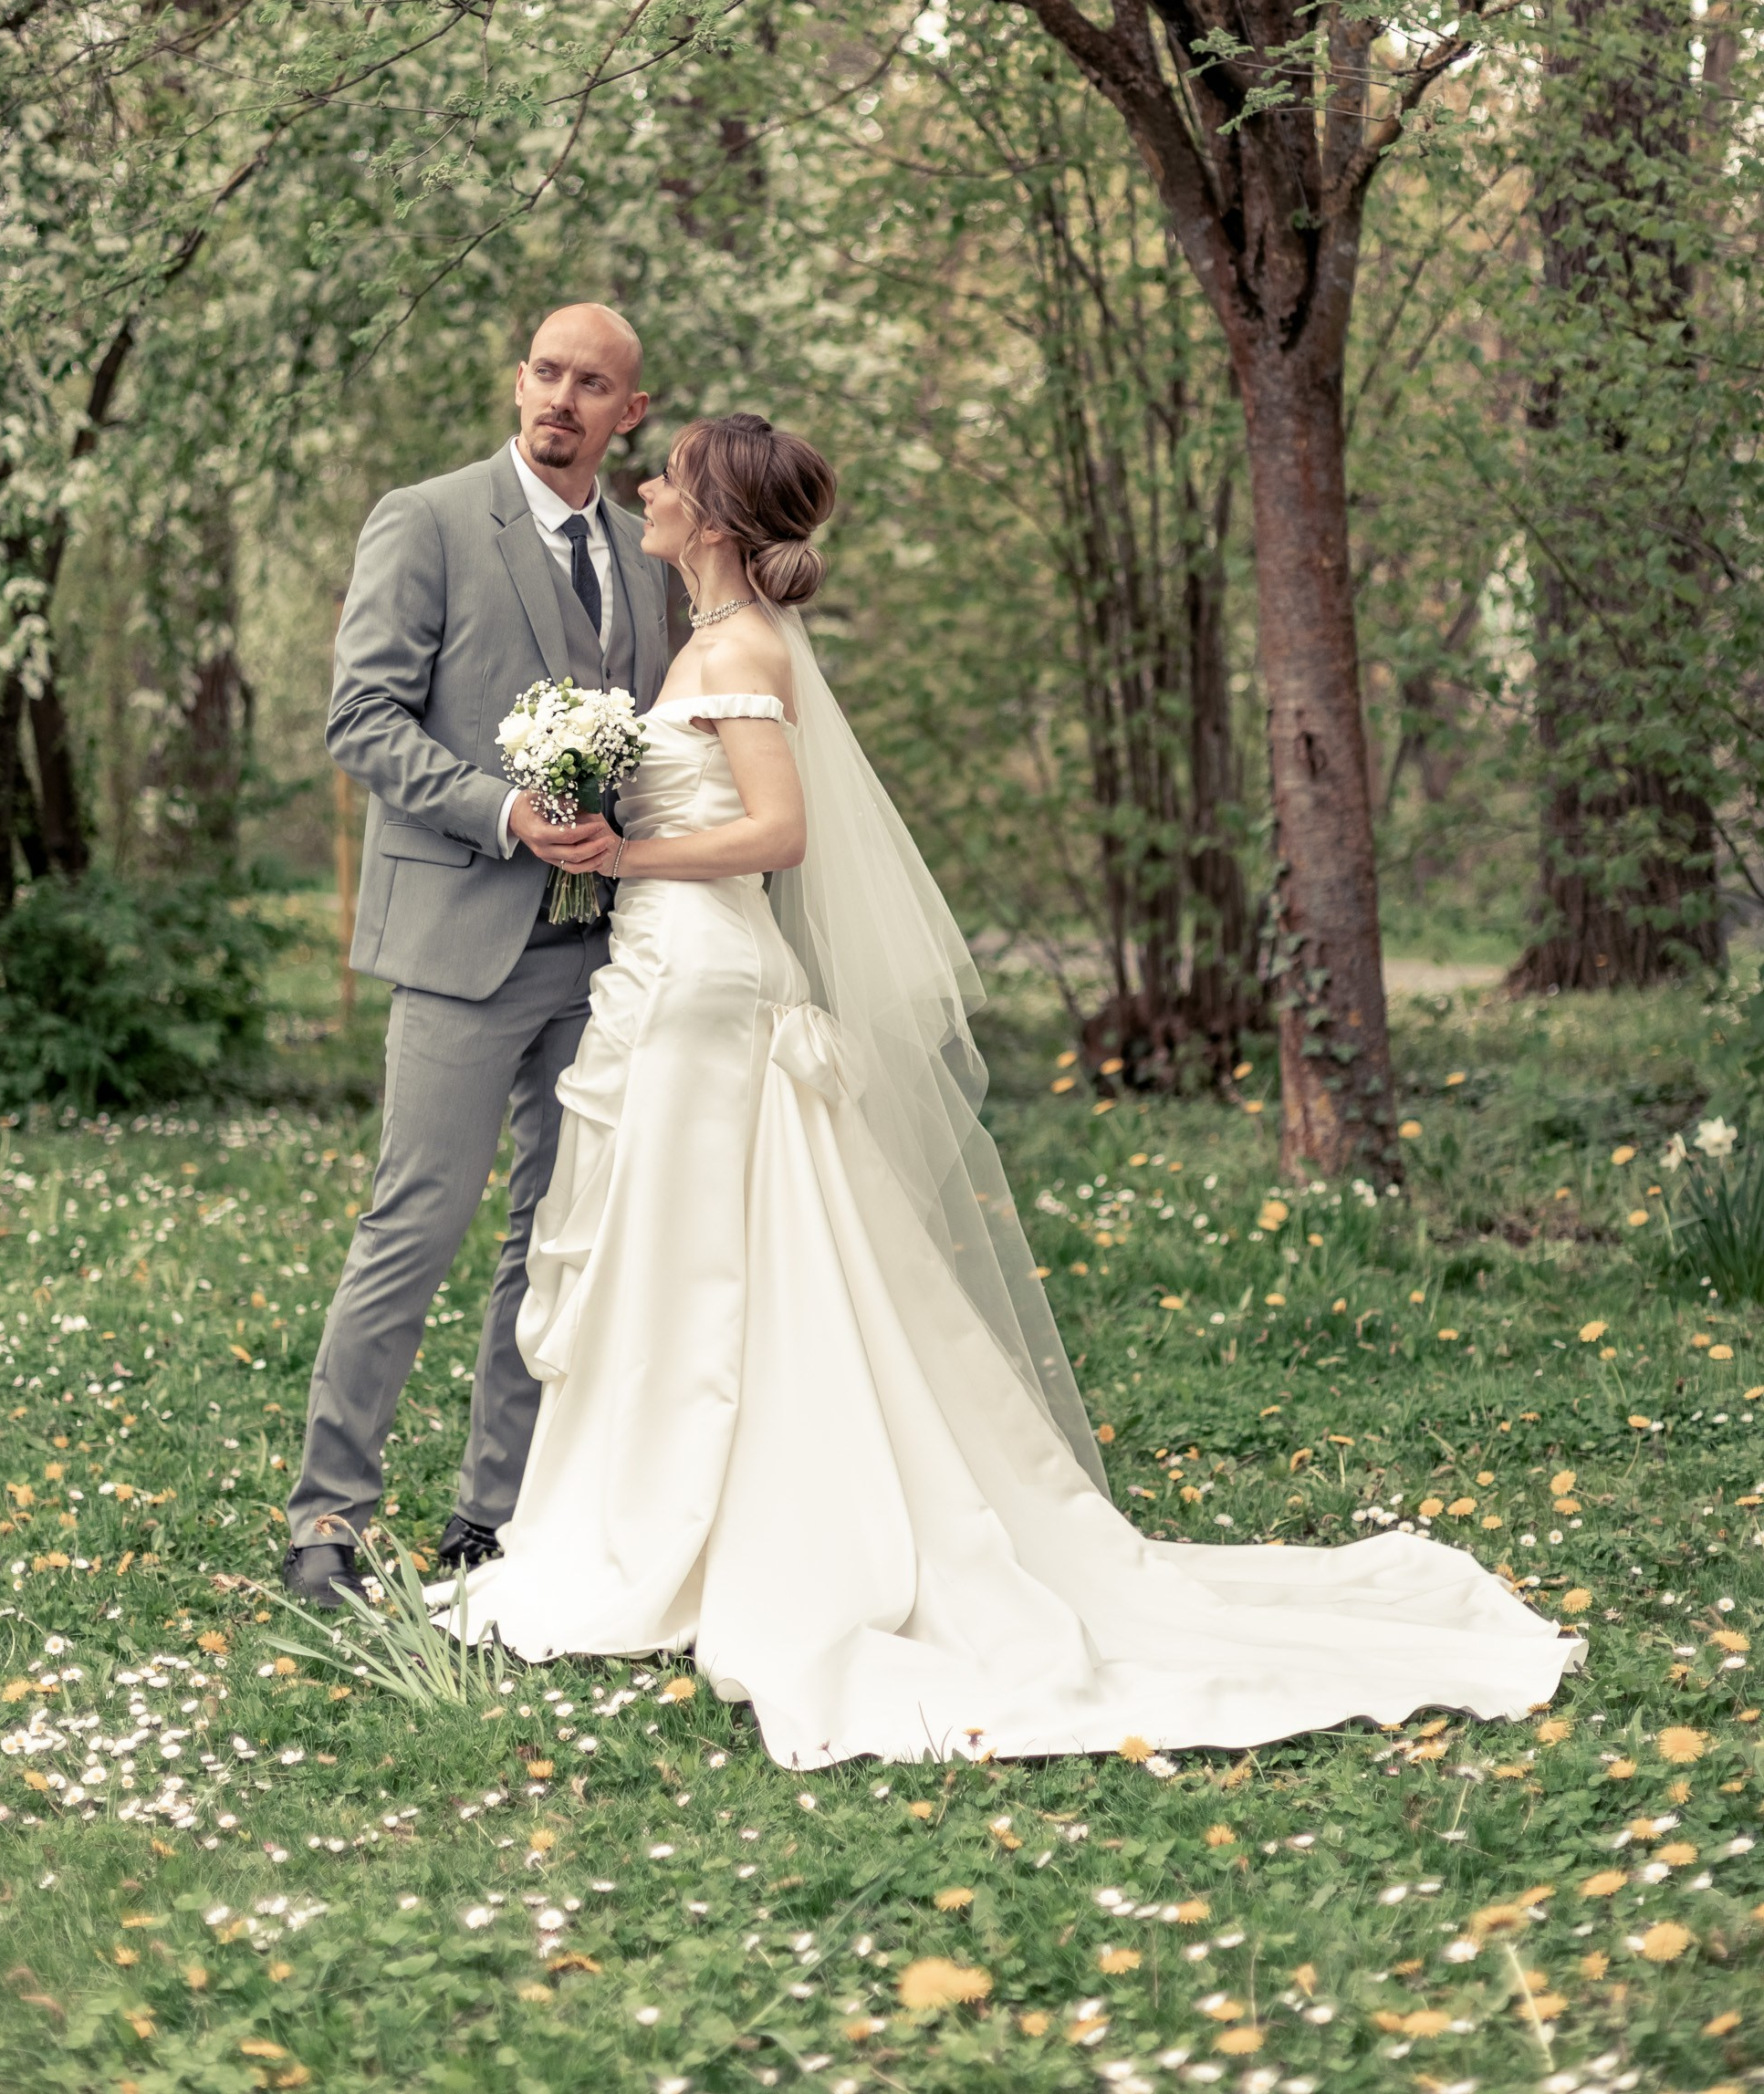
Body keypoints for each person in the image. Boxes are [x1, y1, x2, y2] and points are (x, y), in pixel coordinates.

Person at [454, 411, 1583, 1766]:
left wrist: (628, 861)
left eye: (669, 476)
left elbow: (779, 831)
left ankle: (708, 1528)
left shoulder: (742, 647)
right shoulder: (704, 643)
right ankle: (646, 1516)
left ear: (712, 515)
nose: (645, 486)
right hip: (667, 975)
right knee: (677, 1248)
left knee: (713, 1255)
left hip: (704, 975)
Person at [282, 303, 668, 1608]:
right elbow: (362, 717)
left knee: (549, 1241)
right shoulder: (430, 518)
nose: (563, 398)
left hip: (602, 955)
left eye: (592, 384)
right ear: (519, 381)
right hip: (459, 935)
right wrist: (507, 811)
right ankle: (327, 1522)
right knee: (416, 1224)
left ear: (632, 412)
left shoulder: (647, 551)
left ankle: (491, 1517)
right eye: (548, 374)